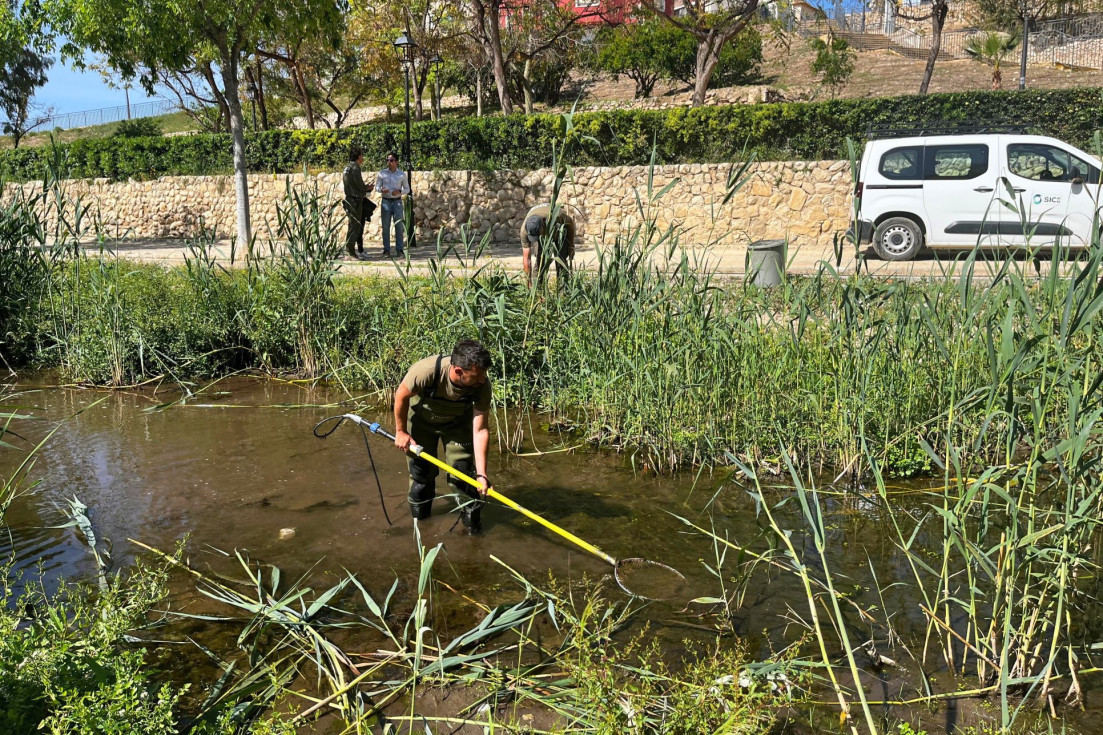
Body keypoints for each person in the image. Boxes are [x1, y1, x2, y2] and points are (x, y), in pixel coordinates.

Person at [393, 340, 494, 533]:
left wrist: (481, 474)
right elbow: (401, 396)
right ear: (458, 371)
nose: (482, 380)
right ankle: (421, 532)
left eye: (484, 374)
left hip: (457, 426)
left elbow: (480, 430)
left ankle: (475, 534)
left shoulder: (482, 385)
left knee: (463, 478)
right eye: (477, 376)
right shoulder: (427, 371)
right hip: (421, 423)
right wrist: (401, 432)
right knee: (421, 476)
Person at [520, 202, 576, 287]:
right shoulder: (524, 231)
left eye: (538, 234)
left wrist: (571, 245)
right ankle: (537, 290)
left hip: (558, 231)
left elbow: (570, 223)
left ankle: (563, 290)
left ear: (543, 223)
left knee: (561, 260)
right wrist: (528, 282)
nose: (537, 237)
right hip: (542, 229)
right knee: (540, 261)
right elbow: (526, 259)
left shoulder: (557, 217)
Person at [342, 147, 375, 260]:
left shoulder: (346, 168)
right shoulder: (356, 168)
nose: (363, 157)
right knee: (355, 226)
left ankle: (349, 251)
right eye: (361, 155)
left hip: (349, 199)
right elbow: (360, 186)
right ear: (358, 156)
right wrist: (368, 187)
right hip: (355, 201)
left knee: (352, 225)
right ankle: (350, 252)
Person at [377, 152, 411, 257]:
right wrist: (381, 190)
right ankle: (386, 250)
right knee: (385, 227)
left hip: (397, 202)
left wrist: (399, 192)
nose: (389, 162)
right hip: (386, 202)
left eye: (391, 160)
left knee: (399, 227)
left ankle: (399, 250)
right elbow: (377, 187)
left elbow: (407, 189)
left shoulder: (401, 174)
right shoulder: (382, 173)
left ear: (396, 162)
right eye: (387, 160)